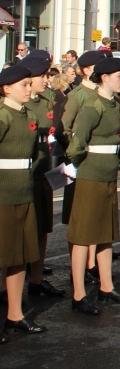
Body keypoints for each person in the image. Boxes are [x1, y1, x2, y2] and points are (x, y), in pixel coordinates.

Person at [66, 57, 120, 314]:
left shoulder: (113, 105)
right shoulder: (92, 107)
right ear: (104, 77)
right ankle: (79, 294)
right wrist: (84, 163)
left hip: (108, 174)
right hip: (91, 174)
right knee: (84, 235)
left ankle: (106, 286)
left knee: (105, 234)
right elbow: (76, 144)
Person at [0, 64, 48, 339]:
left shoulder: (28, 114)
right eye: (24, 85)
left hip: (24, 190)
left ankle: (15, 315)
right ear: (7, 88)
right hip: (3, 193)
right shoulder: (2, 115)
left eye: (30, 84)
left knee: (18, 256)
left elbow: (35, 152)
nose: (30, 89)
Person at [20, 53, 64, 298]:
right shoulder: (18, 101)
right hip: (25, 172)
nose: (48, 80)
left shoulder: (47, 99)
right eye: (43, 76)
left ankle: (36, 280)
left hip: (43, 170)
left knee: (42, 228)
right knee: (17, 232)